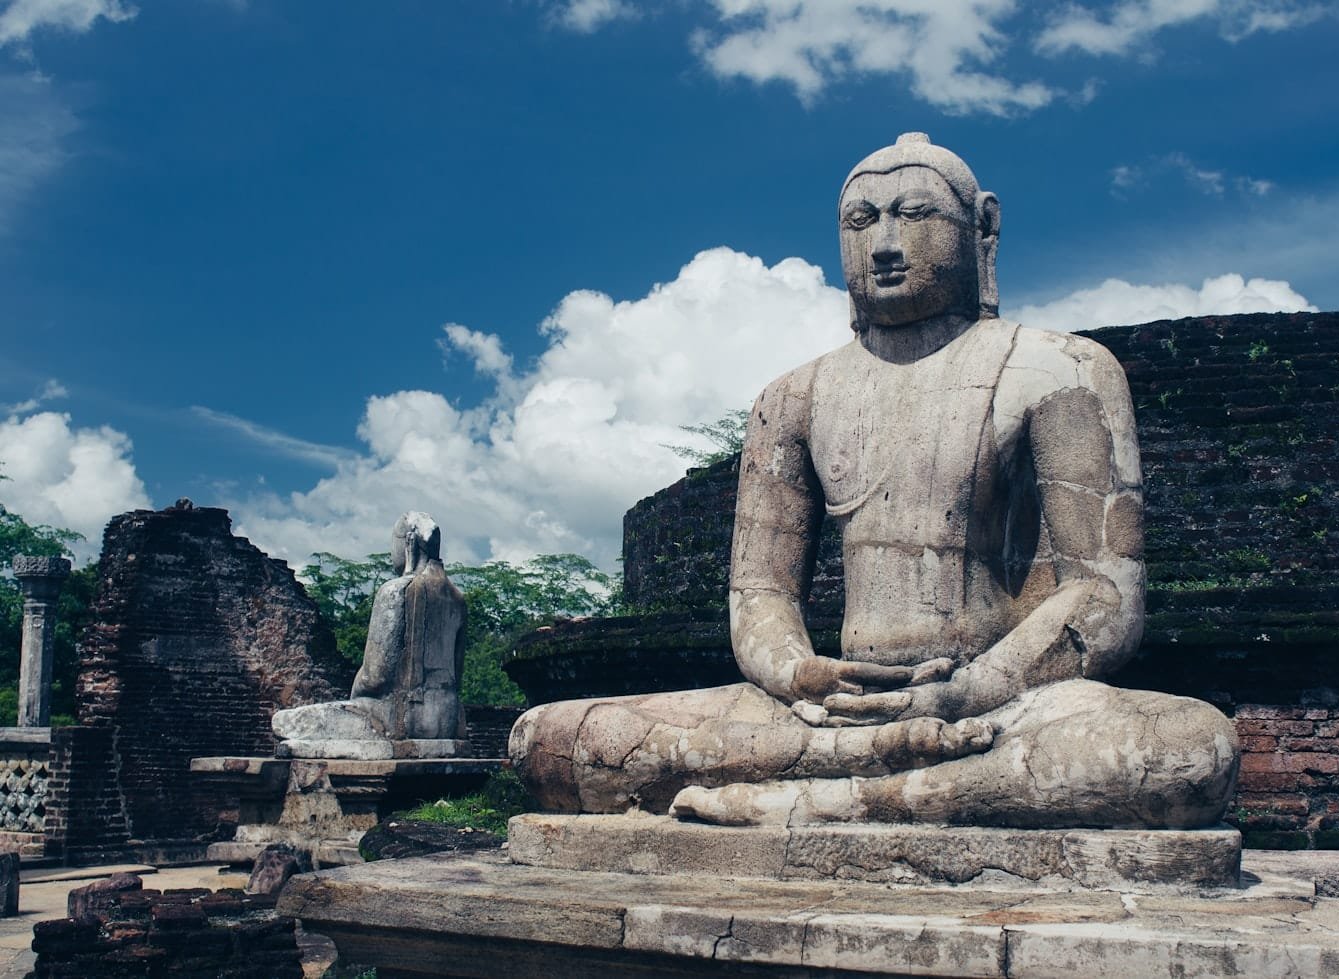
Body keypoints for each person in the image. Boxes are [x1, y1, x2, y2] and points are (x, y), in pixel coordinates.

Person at [509, 134, 1238, 828]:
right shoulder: (792, 396)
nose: (884, 243)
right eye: (860, 221)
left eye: (915, 215)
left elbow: (1103, 595)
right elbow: (759, 595)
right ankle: (889, 775)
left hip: (997, 705)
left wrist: (970, 689)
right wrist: (800, 673)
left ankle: (817, 801)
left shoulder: (1060, 370)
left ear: (981, 228)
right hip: (824, 714)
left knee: (1184, 750)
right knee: (547, 736)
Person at [273, 511, 465, 750]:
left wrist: (355, 692)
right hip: (446, 718)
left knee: (285, 722)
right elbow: (457, 676)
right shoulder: (457, 599)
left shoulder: (396, 591)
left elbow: (375, 677)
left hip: (394, 718)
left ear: (409, 544)